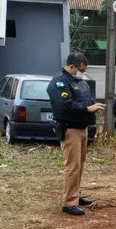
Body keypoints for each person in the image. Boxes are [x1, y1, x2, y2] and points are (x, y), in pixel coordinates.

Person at [47, 52, 105, 216]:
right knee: (72, 166)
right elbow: (66, 104)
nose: (80, 73)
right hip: (70, 129)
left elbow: (83, 98)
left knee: (79, 164)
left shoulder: (75, 81)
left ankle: (76, 195)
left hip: (82, 128)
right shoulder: (59, 82)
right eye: (79, 70)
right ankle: (69, 202)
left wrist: (92, 104)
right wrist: (88, 108)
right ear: (72, 65)